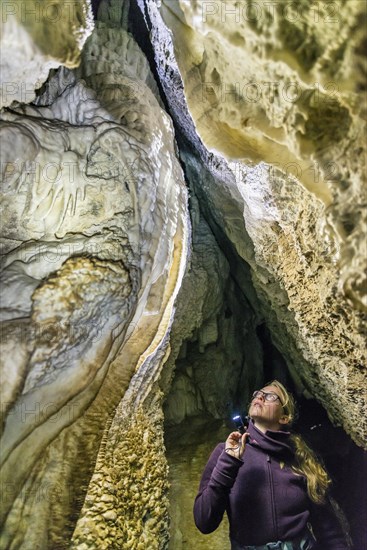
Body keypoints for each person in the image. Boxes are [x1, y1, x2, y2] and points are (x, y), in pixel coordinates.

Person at [193, 380, 349, 550]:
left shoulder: (301, 461)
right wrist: (228, 463)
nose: (260, 396)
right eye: (258, 394)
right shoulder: (226, 453)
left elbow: (329, 532)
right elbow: (204, 521)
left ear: (284, 417)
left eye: (270, 396)